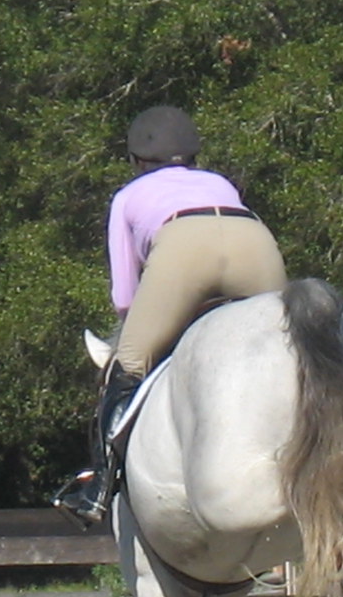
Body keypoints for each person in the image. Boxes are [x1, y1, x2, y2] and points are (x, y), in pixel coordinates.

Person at [55, 105, 288, 526]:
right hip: (255, 242)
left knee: (125, 366)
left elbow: (125, 297)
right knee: (294, 357)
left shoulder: (127, 197)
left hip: (183, 249)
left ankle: (99, 489)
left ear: (138, 160)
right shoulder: (221, 183)